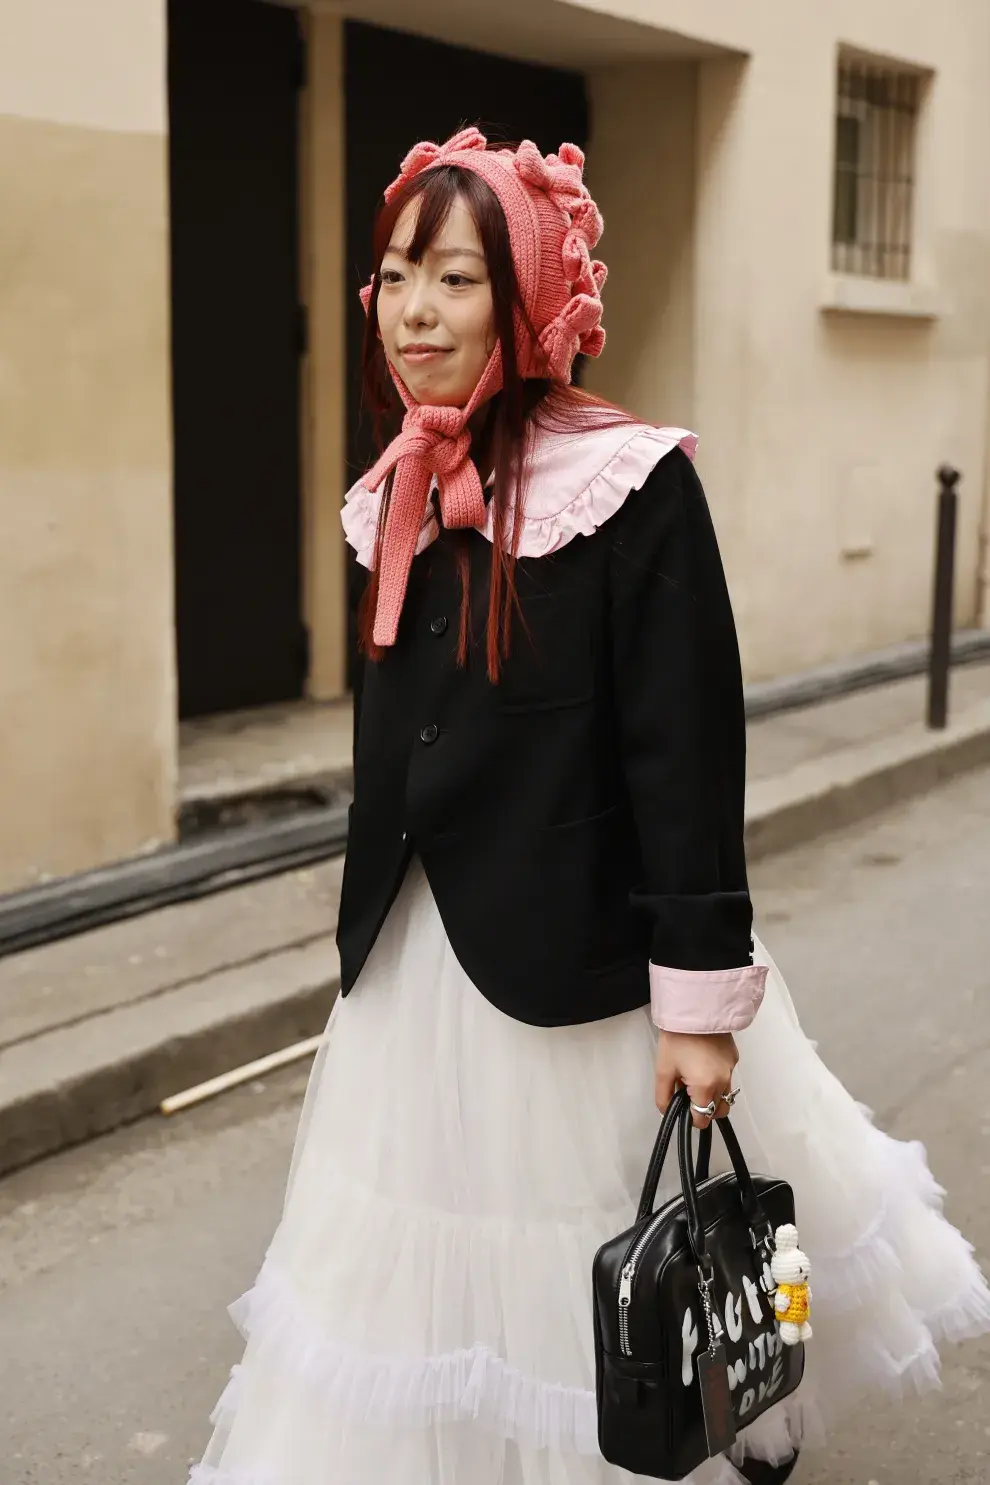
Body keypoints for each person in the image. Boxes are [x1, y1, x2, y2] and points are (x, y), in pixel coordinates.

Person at [189, 127, 990, 1485]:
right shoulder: (388, 490)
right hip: (419, 969)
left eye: (454, 277)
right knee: (426, 1262)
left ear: (529, 298)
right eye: (393, 275)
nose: (413, 308)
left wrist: (695, 1004)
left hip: (588, 963)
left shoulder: (627, 486)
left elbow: (683, 756)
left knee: (622, 1250)